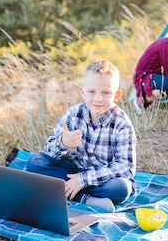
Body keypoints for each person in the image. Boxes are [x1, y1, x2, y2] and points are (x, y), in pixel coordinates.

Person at [25, 59, 136, 213]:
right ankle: (86, 200)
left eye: (106, 92)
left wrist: (83, 180)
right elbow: (48, 151)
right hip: (73, 171)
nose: (98, 98)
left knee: (121, 188)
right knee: (35, 162)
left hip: (102, 180)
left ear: (116, 95)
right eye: (92, 92)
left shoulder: (121, 123)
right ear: (82, 92)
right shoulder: (73, 114)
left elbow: (126, 167)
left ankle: (65, 191)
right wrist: (64, 143)